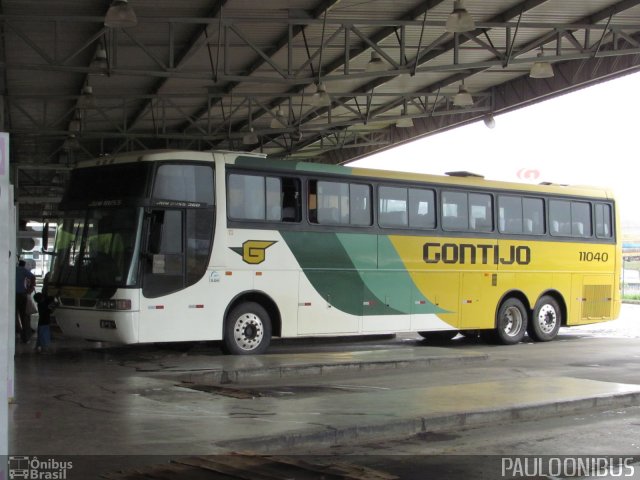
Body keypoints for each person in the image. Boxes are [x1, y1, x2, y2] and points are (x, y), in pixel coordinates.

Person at [15, 259, 36, 343]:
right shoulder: (23, 270)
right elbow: (33, 277)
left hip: (12, 295)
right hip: (22, 295)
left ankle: (15, 332)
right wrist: (30, 288)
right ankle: (25, 338)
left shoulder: (13, 269)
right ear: (24, 265)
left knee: (14, 316)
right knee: (24, 316)